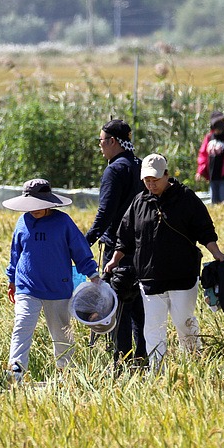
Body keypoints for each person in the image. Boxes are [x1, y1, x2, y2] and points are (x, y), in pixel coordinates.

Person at [104, 154, 224, 369]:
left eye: (155, 180)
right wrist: (115, 260)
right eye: (146, 181)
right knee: (152, 329)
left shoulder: (186, 198)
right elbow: (124, 236)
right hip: (150, 279)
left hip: (182, 277)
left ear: (166, 175)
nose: (151, 184)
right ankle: (157, 372)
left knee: (185, 324)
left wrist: (216, 253)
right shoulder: (139, 202)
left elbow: (204, 229)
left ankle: (194, 368)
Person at [4, 179, 100, 383]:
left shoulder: (63, 223)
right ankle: (15, 374)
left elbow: (81, 251)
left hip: (58, 289)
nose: (34, 210)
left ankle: (66, 378)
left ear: (49, 202)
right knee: (21, 326)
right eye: (30, 205)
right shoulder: (22, 222)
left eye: (39, 205)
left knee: (62, 335)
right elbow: (15, 253)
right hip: (27, 287)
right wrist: (11, 279)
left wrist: (94, 276)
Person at [85, 118, 147, 368]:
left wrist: (85, 242)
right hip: (143, 247)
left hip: (118, 251)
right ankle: (143, 358)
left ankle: (121, 360)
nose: (100, 146)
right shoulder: (140, 166)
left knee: (118, 307)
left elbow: (106, 212)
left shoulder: (115, 169)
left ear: (112, 141)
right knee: (140, 308)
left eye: (100, 141)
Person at [196, 111, 224, 206]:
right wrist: (200, 171)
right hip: (213, 176)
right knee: (214, 203)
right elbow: (203, 155)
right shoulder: (209, 137)